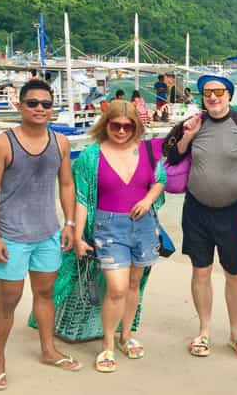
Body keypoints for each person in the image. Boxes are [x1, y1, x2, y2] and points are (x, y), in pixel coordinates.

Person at [0, 80, 81, 391]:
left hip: (48, 233)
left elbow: (66, 184)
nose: (40, 108)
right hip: (12, 235)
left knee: (45, 294)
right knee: (9, 299)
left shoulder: (60, 142)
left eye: (46, 104)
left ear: (53, 108)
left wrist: (70, 224)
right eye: (33, 103)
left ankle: (48, 351)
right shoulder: (1, 144)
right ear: (20, 106)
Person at [165, 74, 237, 359]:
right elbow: (171, 157)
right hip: (196, 209)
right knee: (201, 270)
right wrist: (189, 134)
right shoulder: (194, 123)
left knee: (234, 272)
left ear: (230, 95)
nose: (213, 97)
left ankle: (236, 332)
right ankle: (204, 331)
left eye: (219, 91)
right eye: (207, 92)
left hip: (233, 210)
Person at [72, 99, 166, 373]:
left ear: (136, 126)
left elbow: (160, 180)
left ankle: (126, 335)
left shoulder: (147, 152)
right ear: (106, 124)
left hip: (144, 226)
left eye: (128, 126)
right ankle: (108, 345)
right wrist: (78, 236)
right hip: (108, 228)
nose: (122, 130)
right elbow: (81, 198)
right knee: (116, 288)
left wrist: (148, 200)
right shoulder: (92, 155)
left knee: (134, 285)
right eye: (116, 125)